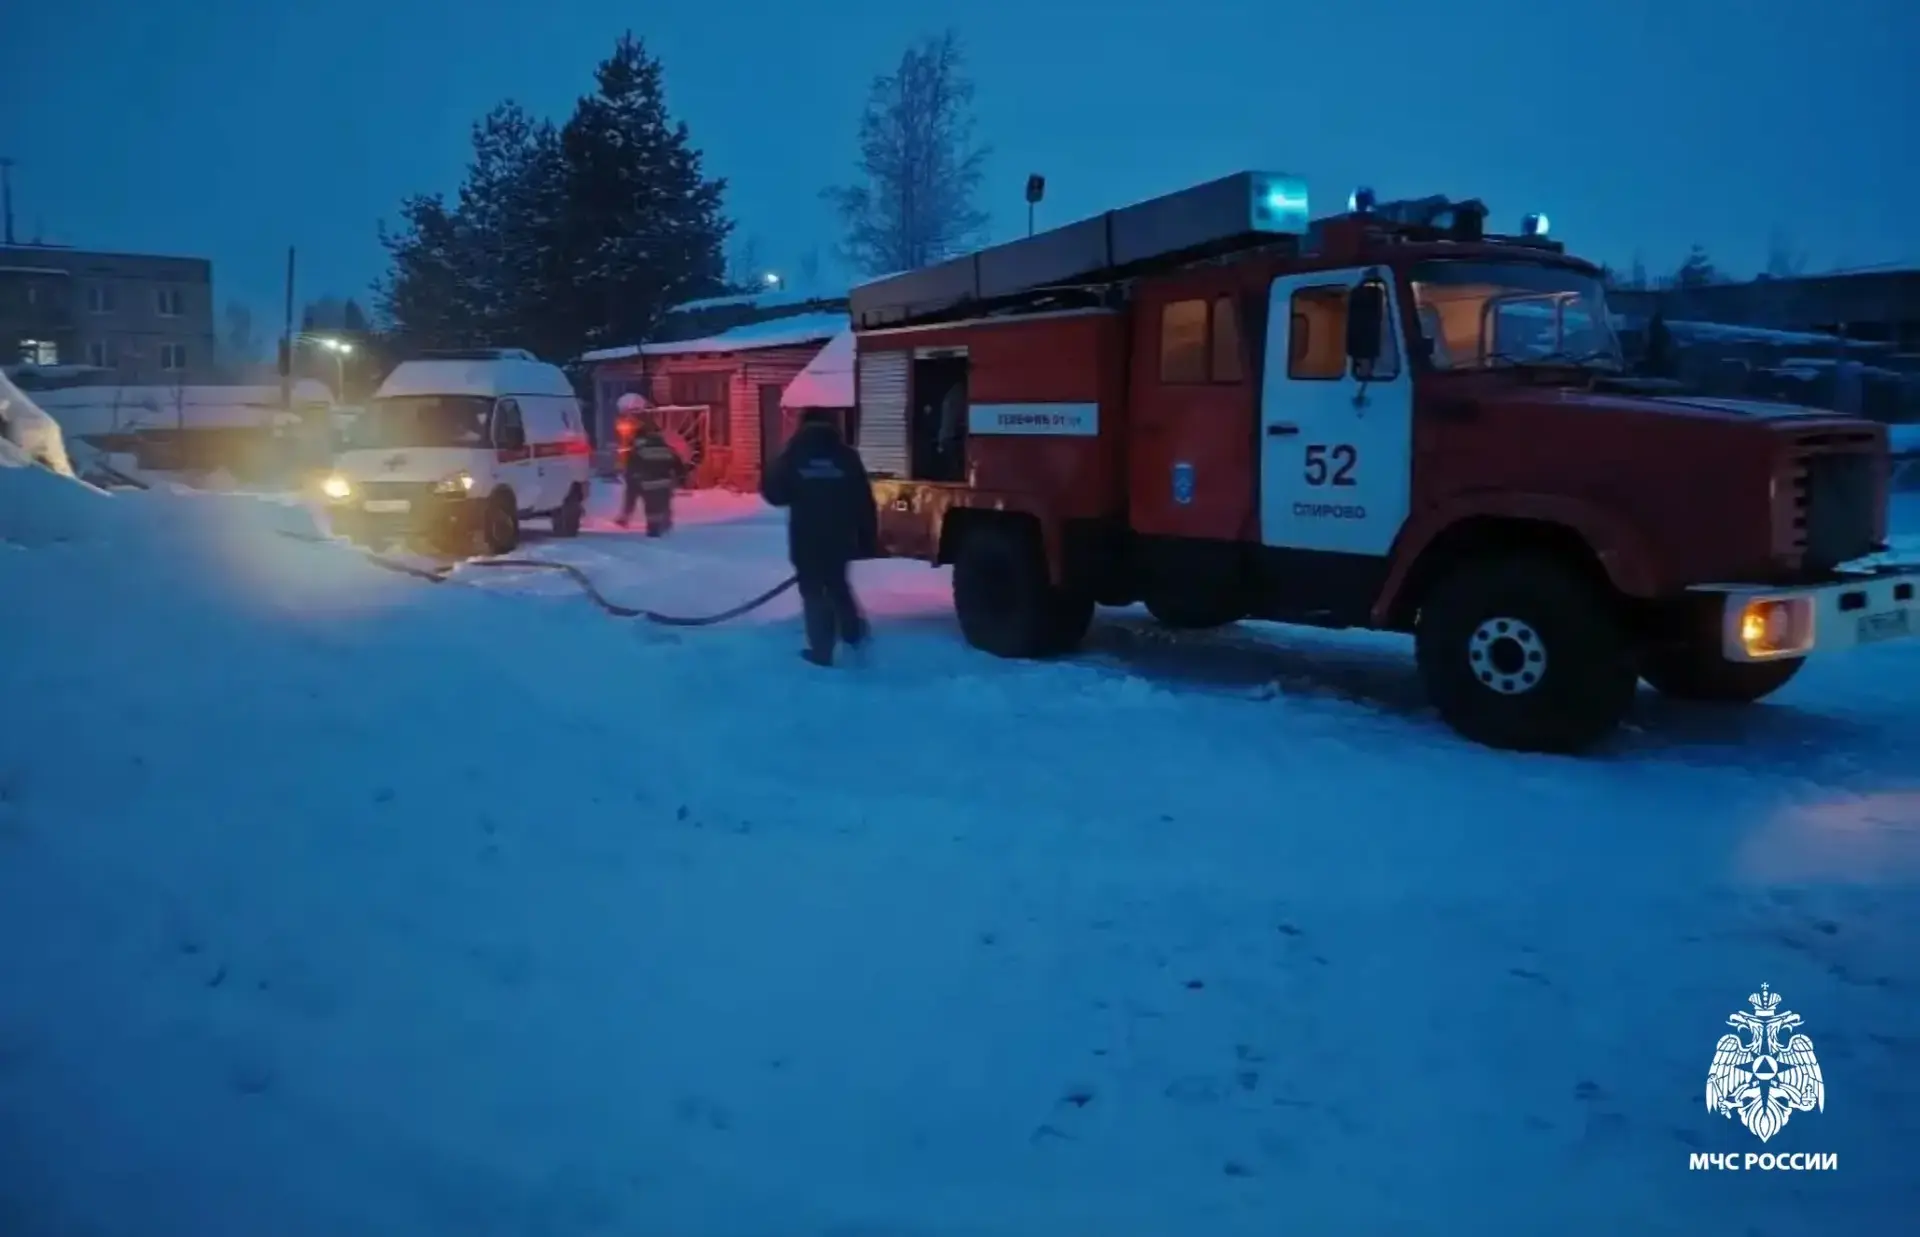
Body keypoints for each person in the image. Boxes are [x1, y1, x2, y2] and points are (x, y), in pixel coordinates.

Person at [761, 410, 878, 667]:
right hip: (841, 537)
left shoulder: (794, 456)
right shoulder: (847, 456)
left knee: (813, 591)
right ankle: (853, 636)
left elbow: (775, 494)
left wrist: (774, 467)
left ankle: (821, 652)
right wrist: (867, 536)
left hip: (807, 537)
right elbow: (864, 501)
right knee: (837, 584)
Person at [618, 413, 684, 536]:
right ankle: (665, 523)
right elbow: (677, 463)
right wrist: (681, 478)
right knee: (663, 503)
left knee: (650, 507)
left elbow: (632, 466)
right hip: (665, 483)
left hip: (648, 483)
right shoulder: (665, 448)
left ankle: (650, 528)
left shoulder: (638, 448)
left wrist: (631, 476)